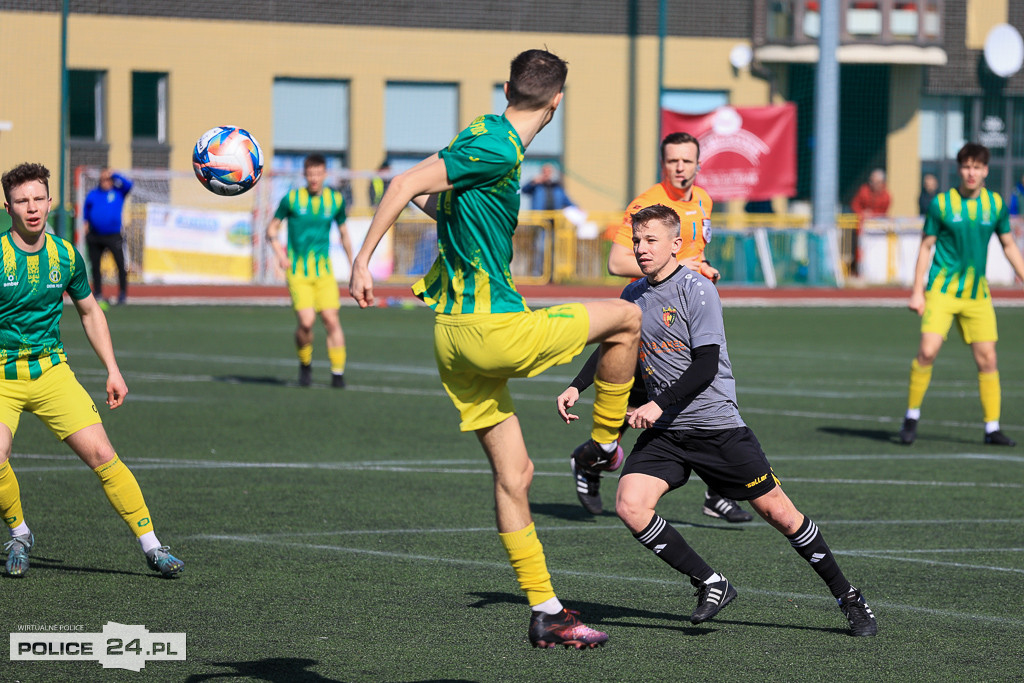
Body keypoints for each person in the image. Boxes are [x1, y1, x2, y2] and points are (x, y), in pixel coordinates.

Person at [349, 49, 642, 649]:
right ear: (557, 102)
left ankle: (547, 612)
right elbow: (403, 184)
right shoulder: (500, 147)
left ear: (506, 87)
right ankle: (604, 446)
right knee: (627, 318)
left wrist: (417, 205)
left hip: (451, 338)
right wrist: (362, 260)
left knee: (517, 474)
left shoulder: (477, 132)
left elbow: (429, 197)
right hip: (490, 330)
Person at [557, 204, 878, 637]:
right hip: (667, 433)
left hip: (716, 427)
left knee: (783, 516)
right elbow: (613, 348)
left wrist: (656, 404)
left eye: (651, 240)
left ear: (675, 244)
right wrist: (579, 384)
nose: (641, 248)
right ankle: (711, 583)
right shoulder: (632, 294)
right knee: (631, 505)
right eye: (637, 240)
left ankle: (849, 598)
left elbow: (706, 365)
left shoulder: (697, 289)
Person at [0, 162, 183, 578]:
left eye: (38, 199)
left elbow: (90, 312)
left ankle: (152, 545)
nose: (31, 208)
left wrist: (112, 369)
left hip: (51, 374)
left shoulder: (66, 255)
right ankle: (19, 533)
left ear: (50, 202)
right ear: (7, 206)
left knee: (104, 455)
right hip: (2, 378)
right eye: (21, 200)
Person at [580, 131, 752, 524]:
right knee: (627, 412)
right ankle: (589, 463)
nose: (680, 168)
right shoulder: (647, 204)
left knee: (707, 394)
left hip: (686, 314)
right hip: (650, 320)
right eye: (673, 161)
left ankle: (717, 492)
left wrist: (700, 269)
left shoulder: (704, 199)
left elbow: (691, 253)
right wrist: (681, 269)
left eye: (687, 161)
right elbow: (617, 263)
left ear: (698, 165)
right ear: (664, 163)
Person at [899, 142, 1024, 447]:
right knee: (927, 352)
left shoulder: (995, 204)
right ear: (959, 169)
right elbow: (926, 247)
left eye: (977, 167)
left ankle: (992, 428)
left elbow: (1008, 244)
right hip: (941, 291)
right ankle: (911, 416)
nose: (971, 172)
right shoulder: (941, 204)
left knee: (988, 359)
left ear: (985, 171)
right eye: (966, 166)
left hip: (977, 295)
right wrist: (918, 292)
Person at [266, 154, 353, 388]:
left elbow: (344, 233)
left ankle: (337, 374)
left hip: (324, 272)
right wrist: (280, 255)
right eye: (310, 174)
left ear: (325, 174)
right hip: (298, 272)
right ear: (305, 175)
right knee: (306, 322)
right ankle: (305, 364)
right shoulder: (291, 199)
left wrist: (355, 264)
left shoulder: (335, 200)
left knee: (331, 320)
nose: (314, 178)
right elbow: (271, 229)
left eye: (318, 174)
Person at [82, 167, 132, 305]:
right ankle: (97, 293)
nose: (105, 181)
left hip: (113, 235)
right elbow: (86, 211)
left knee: (120, 264)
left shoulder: (118, 192)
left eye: (107, 179)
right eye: (102, 179)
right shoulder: (93, 194)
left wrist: (114, 174)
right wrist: (85, 226)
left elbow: (129, 185)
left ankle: (122, 294)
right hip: (95, 235)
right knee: (95, 265)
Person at [849, 168, 891, 277]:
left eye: (876, 182)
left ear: (882, 183)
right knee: (860, 250)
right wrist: (863, 213)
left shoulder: (886, 196)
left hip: (877, 232)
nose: (873, 184)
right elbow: (855, 205)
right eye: (871, 181)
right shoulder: (863, 191)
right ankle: (859, 272)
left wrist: (872, 215)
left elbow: (883, 213)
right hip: (862, 229)